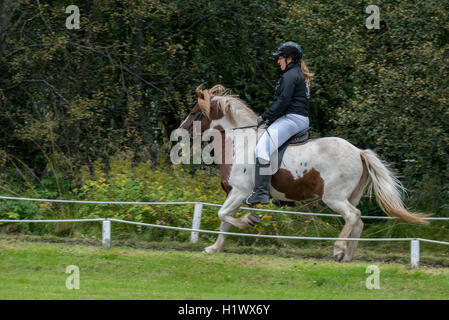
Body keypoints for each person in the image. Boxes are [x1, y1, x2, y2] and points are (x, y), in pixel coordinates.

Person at [243, 41, 314, 206]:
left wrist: (265, 117)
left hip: (292, 119)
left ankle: (260, 193)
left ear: (289, 58)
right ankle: (284, 194)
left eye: (280, 57)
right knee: (276, 148)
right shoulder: (299, 75)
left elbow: (282, 102)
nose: (278, 61)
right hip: (299, 119)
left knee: (261, 149)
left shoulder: (290, 76)